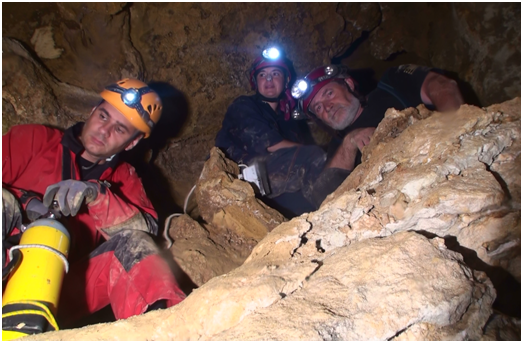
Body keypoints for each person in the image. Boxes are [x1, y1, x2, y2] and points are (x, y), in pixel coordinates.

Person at [2, 78, 186, 326]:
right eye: (103, 116)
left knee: (135, 245)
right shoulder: (36, 140)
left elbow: (146, 230)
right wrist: (22, 203)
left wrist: (97, 195)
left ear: (131, 142)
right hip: (8, 258)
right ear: (91, 112)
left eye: (120, 129)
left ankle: (162, 328)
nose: (104, 130)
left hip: (58, 287)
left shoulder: (124, 179)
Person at [290, 64, 465, 207]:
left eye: (329, 93)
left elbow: (441, 86)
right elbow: (324, 198)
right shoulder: (339, 149)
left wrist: (455, 129)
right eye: (318, 108)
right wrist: (349, 143)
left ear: (348, 84)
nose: (327, 107)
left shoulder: (391, 86)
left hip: (449, 169)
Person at [214, 47, 327, 218]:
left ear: (286, 80)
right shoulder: (244, 106)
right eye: (262, 75)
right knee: (315, 155)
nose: (268, 79)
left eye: (275, 74)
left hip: (274, 183)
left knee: (304, 210)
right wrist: (319, 154)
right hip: (238, 179)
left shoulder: (289, 123)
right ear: (255, 82)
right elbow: (270, 145)